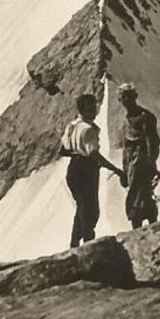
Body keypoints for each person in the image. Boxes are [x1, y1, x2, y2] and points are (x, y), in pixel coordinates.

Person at [60, 92, 122, 248]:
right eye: (92, 108)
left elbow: (62, 150)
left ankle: (74, 243)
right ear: (85, 109)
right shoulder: (88, 130)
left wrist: (76, 149)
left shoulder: (71, 126)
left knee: (81, 205)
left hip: (73, 168)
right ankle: (88, 243)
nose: (95, 111)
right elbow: (94, 154)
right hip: (86, 169)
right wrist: (116, 170)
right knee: (91, 209)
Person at [117, 82, 160, 229]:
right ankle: (138, 231)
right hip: (130, 163)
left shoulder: (145, 117)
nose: (126, 100)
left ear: (135, 97)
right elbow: (125, 147)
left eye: (129, 97)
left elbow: (152, 141)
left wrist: (151, 163)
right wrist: (124, 170)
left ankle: (150, 228)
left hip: (142, 161)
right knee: (136, 195)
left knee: (141, 196)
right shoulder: (126, 120)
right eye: (123, 97)